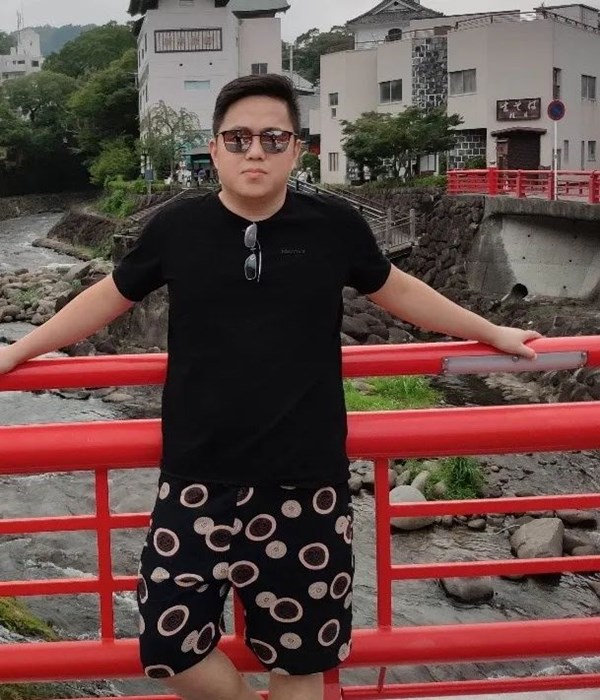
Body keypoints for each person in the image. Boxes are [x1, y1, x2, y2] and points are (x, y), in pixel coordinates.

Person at [0, 74, 541, 700]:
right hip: (197, 474)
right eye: (238, 139)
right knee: (169, 645)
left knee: (300, 660)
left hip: (306, 480)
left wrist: (491, 331)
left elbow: (398, 289)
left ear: (297, 149)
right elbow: (109, 295)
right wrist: (20, 349)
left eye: (272, 138)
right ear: (214, 148)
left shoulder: (333, 225)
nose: (254, 151)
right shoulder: (178, 227)